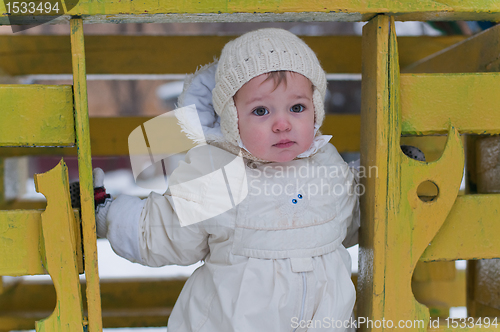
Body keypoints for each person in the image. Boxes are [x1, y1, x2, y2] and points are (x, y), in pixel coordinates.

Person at [80, 28, 422, 331]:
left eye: (297, 108)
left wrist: (394, 175)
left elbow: (355, 217)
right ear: (232, 119)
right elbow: (165, 231)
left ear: (316, 108)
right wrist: (108, 212)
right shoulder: (218, 174)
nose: (282, 123)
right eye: (261, 111)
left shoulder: (328, 166)